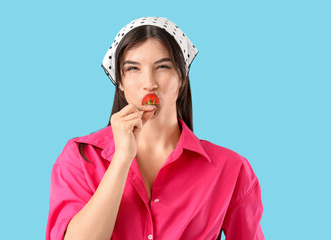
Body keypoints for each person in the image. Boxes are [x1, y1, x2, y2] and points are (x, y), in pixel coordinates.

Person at [46, 16, 265, 240]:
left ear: (182, 77)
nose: (149, 82)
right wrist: (121, 158)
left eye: (162, 66)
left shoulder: (231, 168)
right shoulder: (80, 157)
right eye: (133, 68)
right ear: (119, 81)